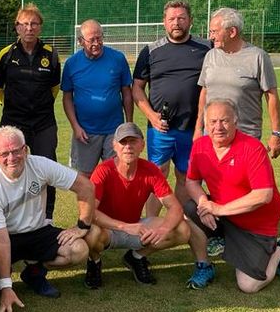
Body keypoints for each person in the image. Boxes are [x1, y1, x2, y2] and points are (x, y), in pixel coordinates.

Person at [183, 98, 280, 293]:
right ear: (205, 122)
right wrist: (204, 204)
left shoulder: (252, 148)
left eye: (224, 121)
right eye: (212, 121)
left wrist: (218, 209)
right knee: (190, 209)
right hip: (225, 216)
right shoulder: (200, 146)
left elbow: (264, 195)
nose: (218, 127)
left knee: (249, 286)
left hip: (257, 227)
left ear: (236, 121)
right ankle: (204, 266)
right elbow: (191, 181)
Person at [0, 126, 95, 312]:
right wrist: (7, 285)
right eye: (4, 153)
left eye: (16, 151)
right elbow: (0, 238)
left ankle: (33, 272)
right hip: (2, 234)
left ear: (25, 149)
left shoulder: (40, 165)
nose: (11, 158)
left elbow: (85, 186)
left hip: (37, 231)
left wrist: (82, 226)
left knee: (79, 250)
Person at [83, 122, 208, 290]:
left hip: (137, 226)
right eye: (123, 142)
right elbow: (90, 212)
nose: (128, 147)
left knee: (182, 230)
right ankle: (94, 261)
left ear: (142, 145)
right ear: (114, 146)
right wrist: (124, 226)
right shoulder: (103, 170)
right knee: (91, 233)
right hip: (108, 229)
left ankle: (136, 257)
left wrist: (163, 230)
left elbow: (175, 207)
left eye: (133, 141)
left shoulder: (150, 170)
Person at [131, 0, 211, 213]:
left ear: (190, 21)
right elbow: (136, 88)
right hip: (160, 128)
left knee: (186, 176)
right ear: (164, 22)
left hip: (192, 128)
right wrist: (152, 116)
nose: (177, 23)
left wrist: (202, 125)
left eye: (181, 18)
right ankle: (151, 221)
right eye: (172, 19)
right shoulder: (151, 51)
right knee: (157, 173)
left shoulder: (206, 48)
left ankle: (180, 221)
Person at [0, 3, 61, 222]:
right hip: (14, 121)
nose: (29, 28)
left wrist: (38, 107)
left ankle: (47, 217)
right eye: (24, 24)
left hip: (43, 122)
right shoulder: (5, 55)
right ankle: (8, 215)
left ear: (40, 27)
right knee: (10, 167)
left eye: (34, 24)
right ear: (17, 28)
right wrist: (15, 109)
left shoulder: (51, 55)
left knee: (47, 165)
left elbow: (54, 89)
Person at [195, 7, 280, 159]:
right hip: (212, 138)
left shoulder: (258, 57)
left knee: (242, 183)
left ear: (232, 32)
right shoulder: (210, 56)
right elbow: (205, 92)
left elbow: (272, 96)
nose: (210, 36)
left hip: (245, 138)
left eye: (214, 31)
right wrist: (198, 128)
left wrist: (277, 133)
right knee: (211, 182)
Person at [62, 19, 134, 178]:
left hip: (114, 131)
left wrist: (128, 124)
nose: (96, 43)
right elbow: (67, 98)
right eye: (91, 40)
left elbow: (127, 93)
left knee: (118, 177)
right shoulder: (72, 64)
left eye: (99, 38)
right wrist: (75, 126)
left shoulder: (117, 59)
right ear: (81, 41)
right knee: (83, 179)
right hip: (85, 133)